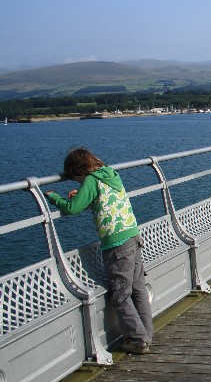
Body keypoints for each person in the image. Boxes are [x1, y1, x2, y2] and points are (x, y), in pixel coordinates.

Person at [45, 147, 153, 354]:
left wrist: (54, 197)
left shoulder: (90, 181)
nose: (76, 182)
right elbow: (106, 202)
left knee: (121, 294)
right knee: (138, 288)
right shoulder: (110, 174)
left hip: (117, 244)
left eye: (74, 177)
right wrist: (83, 195)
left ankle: (138, 341)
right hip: (133, 235)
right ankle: (146, 333)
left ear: (78, 170)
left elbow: (71, 209)